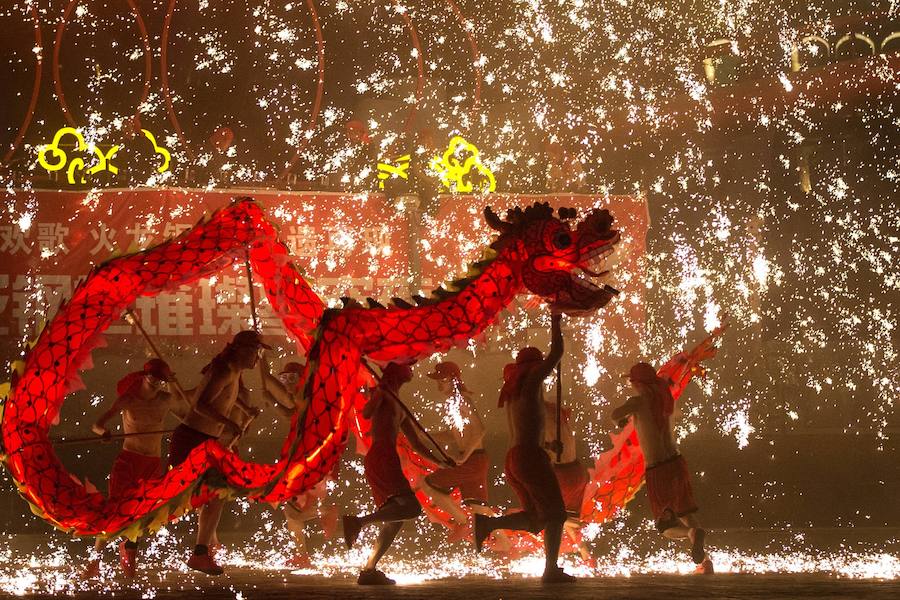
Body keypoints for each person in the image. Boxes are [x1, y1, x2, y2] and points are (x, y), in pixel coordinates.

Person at [474, 312, 575, 583]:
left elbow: (526, 427)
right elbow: (557, 353)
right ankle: (550, 570)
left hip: (516, 457)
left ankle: (489, 524)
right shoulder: (530, 383)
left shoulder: (515, 392)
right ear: (533, 367)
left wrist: (547, 444)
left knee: (536, 517)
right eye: (540, 366)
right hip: (529, 457)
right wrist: (555, 320)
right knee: (555, 514)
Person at [167, 330, 270, 576]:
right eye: (256, 351)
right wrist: (230, 423)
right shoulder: (223, 369)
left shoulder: (233, 372)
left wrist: (245, 409)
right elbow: (199, 405)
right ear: (241, 350)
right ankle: (199, 549)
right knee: (183, 498)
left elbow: (224, 397)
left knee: (216, 494)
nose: (258, 358)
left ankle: (203, 550)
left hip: (206, 441)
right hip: (192, 441)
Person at [342, 362, 454, 585]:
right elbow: (366, 413)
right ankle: (359, 522)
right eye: (406, 367)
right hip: (381, 455)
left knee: (395, 519)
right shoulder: (384, 395)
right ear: (397, 376)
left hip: (385, 456)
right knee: (411, 508)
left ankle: (369, 570)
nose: (410, 369)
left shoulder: (400, 405)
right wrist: (379, 394)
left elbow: (416, 444)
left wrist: (440, 461)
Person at [84, 359, 191, 579]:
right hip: (128, 462)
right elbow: (96, 424)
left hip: (152, 463)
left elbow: (188, 410)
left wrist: (174, 383)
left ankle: (129, 554)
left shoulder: (165, 399)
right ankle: (94, 562)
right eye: (153, 378)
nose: (156, 383)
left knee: (141, 514)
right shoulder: (129, 400)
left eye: (161, 380)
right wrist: (103, 432)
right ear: (144, 375)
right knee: (114, 513)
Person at [609, 362, 713, 574]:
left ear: (637, 383)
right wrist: (628, 417)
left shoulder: (637, 401)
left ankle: (692, 533)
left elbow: (614, 415)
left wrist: (624, 415)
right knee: (685, 512)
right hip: (676, 462)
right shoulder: (665, 400)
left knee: (665, 527)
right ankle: (706, 562)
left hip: (658, 469)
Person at [417, 361, 488, 529]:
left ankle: (462, 522)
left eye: (442, 380)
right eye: (438, 380)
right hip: (475, 459)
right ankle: (504, 543)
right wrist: (426, 435)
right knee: (479, 509)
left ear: (453, 380)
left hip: (472, 460)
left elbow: (480, 430)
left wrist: (464, 456)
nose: (438, 384)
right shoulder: (453, 402)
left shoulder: (461, 400)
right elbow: (453, 435)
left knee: (428, 483)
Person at [544, 400, 593, 565]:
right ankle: (586, 554)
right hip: (577, 471)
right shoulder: (555, 413)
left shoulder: (542, 414)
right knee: (567, 518)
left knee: (552, 516)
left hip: (563, 475)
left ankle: (551, 562)